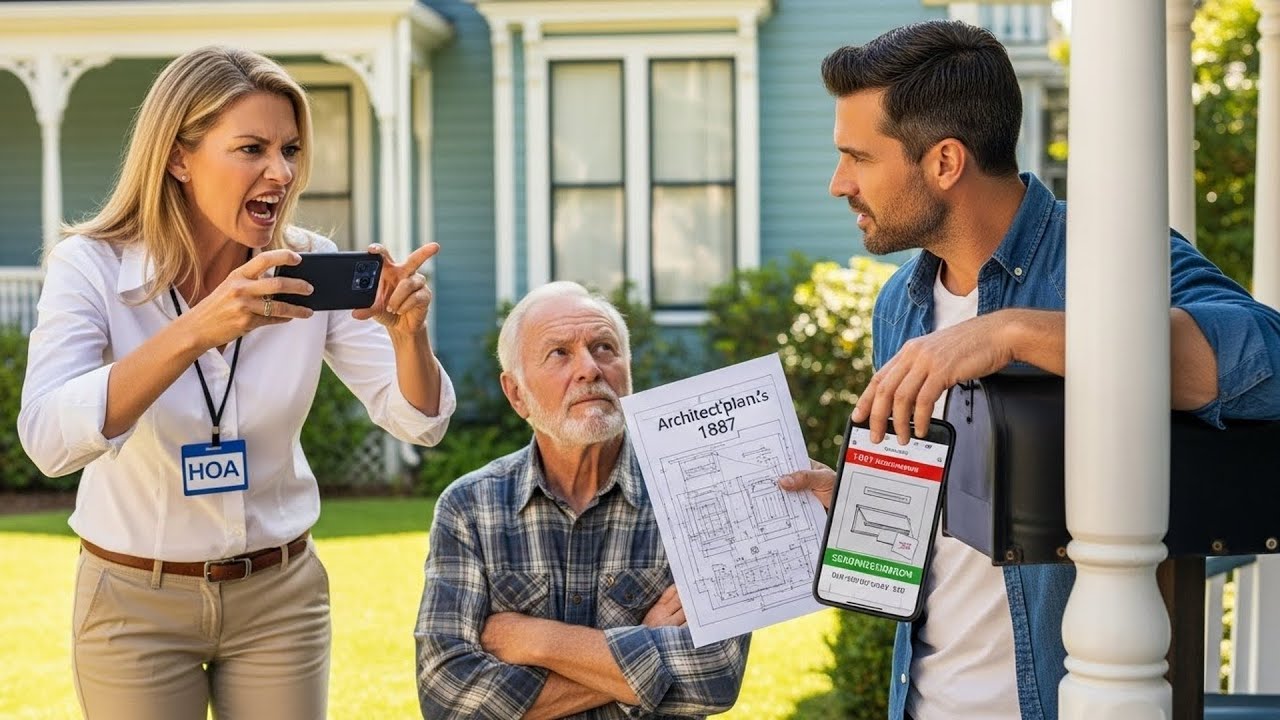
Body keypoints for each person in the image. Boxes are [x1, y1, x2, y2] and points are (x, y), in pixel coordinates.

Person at [777, 20, 1280, 720]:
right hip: (922, 702)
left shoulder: (1110, 253)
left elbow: (1266, 357)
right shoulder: (900, 304)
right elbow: (953, 533)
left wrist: (1012, 332)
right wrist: (865, 501)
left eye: (858, 158)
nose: (839, 184)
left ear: (945, 162)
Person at [17, 46, 456, 720]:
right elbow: (48, 441)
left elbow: (419, 421)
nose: (280, 172)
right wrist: (195, 330)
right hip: (134, 600)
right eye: (251, 148)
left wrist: (408, 337)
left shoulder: (307, 265)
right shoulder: (92, 268)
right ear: (178, 157)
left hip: (279, 597)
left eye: (290, 149)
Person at [414, 281, 749, 719]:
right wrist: (643, 643)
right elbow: (447, 697)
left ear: (628, 370)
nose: (590, 368)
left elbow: (715, 674)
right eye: (560, 353)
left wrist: (537, 640)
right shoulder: (470, 507)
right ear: (517, 394)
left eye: (604, 348)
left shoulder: (699, 490)